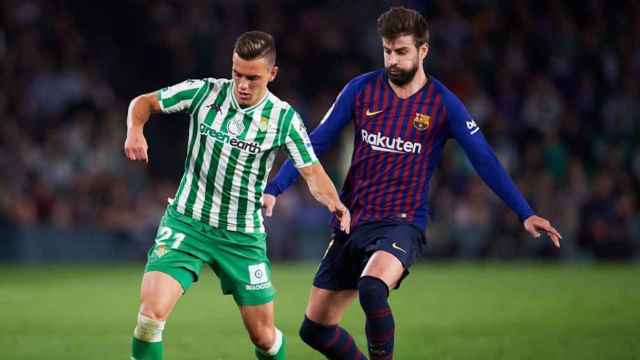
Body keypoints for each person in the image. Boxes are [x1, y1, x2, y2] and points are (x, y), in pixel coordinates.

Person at [262, 7, 562, 359]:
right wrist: (274, 188)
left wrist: (524, 212)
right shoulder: (361, 90)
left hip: (402, 224)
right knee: (314, 330)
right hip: (352, 220)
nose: (393, 59)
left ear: (423, 50)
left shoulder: (443, 104)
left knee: (372, 288)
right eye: (387, 51)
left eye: (401, 51)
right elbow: (314, 142)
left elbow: (485, 159)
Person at [124, 31, 350, 360]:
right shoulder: (204, 92)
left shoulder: (284, 119)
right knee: (149, 317)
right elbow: (143, 102)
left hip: (241, 237)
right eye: (236, 74)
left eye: (252, 78)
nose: (242, 84)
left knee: (263, 337)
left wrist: (335, 204)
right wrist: (135, 129)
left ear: (272, 75)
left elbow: (311, 171)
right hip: (187, 222)